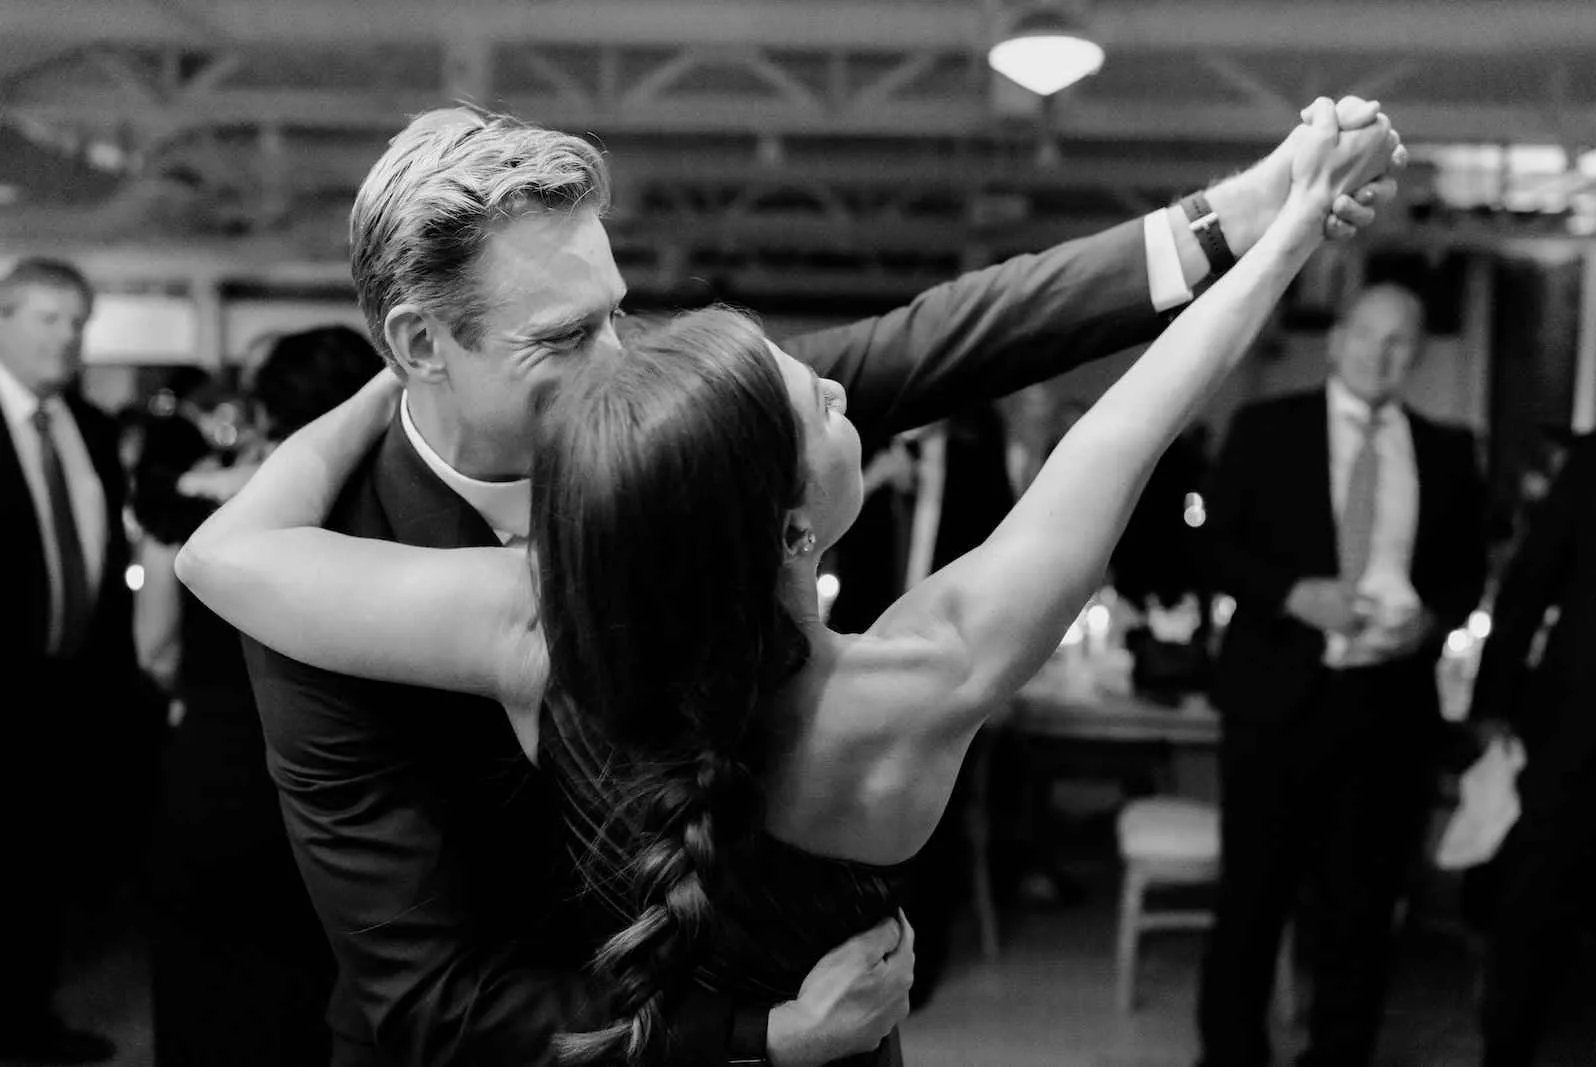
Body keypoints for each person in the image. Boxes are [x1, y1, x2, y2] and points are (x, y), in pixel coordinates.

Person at [178, 99, 1398, 1066]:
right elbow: (430, 1000)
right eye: (563, 337)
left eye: (618, 311)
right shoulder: (887, 648)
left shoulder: (522, 612)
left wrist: (1236, 216)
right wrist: (759, 1035)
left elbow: (951, 333)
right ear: (418, 340)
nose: (619, 361)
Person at [1196, 282, 1489, 1067]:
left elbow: (1467, 574)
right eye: (1368, 334)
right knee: (1251, 905)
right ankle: (1230, 1055)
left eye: (1401, 340)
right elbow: (1214, 547)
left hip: (1388, 712)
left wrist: (1431, 621)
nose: (1381, 352)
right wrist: (1295, 594)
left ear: (1417, 354)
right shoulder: (1265, 429)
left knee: (1360, 916)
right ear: (1337, 340)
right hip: (1274, 706)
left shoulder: (1450, 448)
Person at [138, 327, 383, 1067]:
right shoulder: (380, 509)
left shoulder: (187, 501)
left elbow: (154, 647)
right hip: (338, 782)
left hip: (211, 763)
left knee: (201, 988)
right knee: (317, 993)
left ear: (266, 403)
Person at [0, 258, 143, 1065]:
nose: (68, 337)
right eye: (49, 318)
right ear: (3, 318)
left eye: (78, 322)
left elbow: (103, 570)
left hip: (67, 698)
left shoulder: (87, 426)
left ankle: (27, 1020)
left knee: (37, 873)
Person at [1467, 432, 1596, 1066]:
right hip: (1578, 728)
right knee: (1533, 904)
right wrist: (1492, 703)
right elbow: (1529, 583)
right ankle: (1506, 1050)